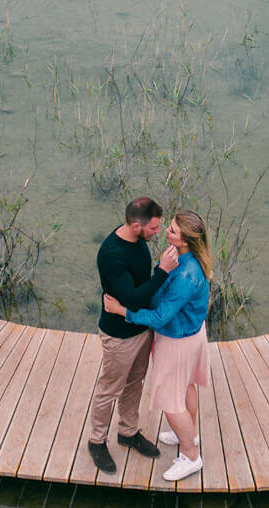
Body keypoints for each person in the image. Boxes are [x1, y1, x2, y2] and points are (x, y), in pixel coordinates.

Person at [104, 210, 212, 483]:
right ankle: (187, 433)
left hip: (177, 341)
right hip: (192, 333)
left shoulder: (186, 274)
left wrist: (122, 311)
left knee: (170, 400)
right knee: (186, 386)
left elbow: (161, 316)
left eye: (174, 231)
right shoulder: (188, 259)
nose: (167, 231)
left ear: (186, 240)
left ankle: (190, 455)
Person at [87, 195, 170, 475]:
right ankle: (96, 441)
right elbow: (132, 298)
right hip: (119, 335)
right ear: (136, 225)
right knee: (109, 388)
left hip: (141, 327)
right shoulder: (112, 254)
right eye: (154, 228)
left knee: (135, 382)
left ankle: (128, 431)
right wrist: (163, 271)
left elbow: (139, 289)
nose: (157, 233)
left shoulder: (138, 242)